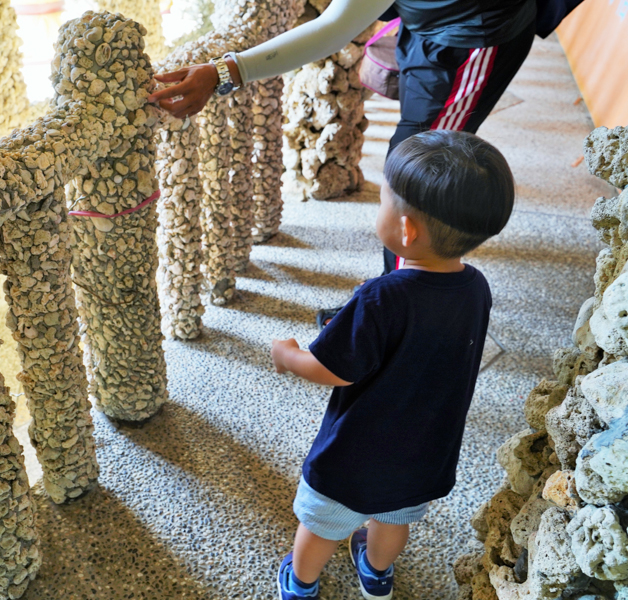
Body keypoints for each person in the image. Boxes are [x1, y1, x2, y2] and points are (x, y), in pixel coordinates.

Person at [147, 0, 535, 327]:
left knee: (420, 184)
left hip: (470, 37)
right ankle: (391, 294)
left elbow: (331, 29)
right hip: (430, 24)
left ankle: (399, 319)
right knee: (408, 160)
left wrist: (222, 72)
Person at [267, 130, 514, 600]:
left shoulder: (381, 298)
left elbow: (333, 369)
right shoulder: (476, 287)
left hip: (355, 455)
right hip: (425, 452)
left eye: (382, 199)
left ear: (406, 231)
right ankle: (377, 574)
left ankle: (300, 584)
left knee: (321, 526)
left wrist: (290, 355)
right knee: (393, 519)